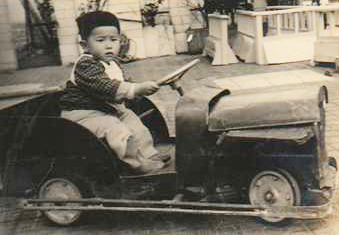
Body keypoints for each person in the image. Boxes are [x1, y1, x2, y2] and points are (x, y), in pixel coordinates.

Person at [59, 11, 170, 175]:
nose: (109, 45)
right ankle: (136, 164)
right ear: (85, 45)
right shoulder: (86, 65)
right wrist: (135, 89)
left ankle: (149, 154)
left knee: (132, 119)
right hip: (82, 115)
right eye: (101, 40)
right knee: (115, 129)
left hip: (106, 110)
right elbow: (105, 86)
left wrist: (140, 88)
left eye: (114, 39)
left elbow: (124, 83)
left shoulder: (112, 63)